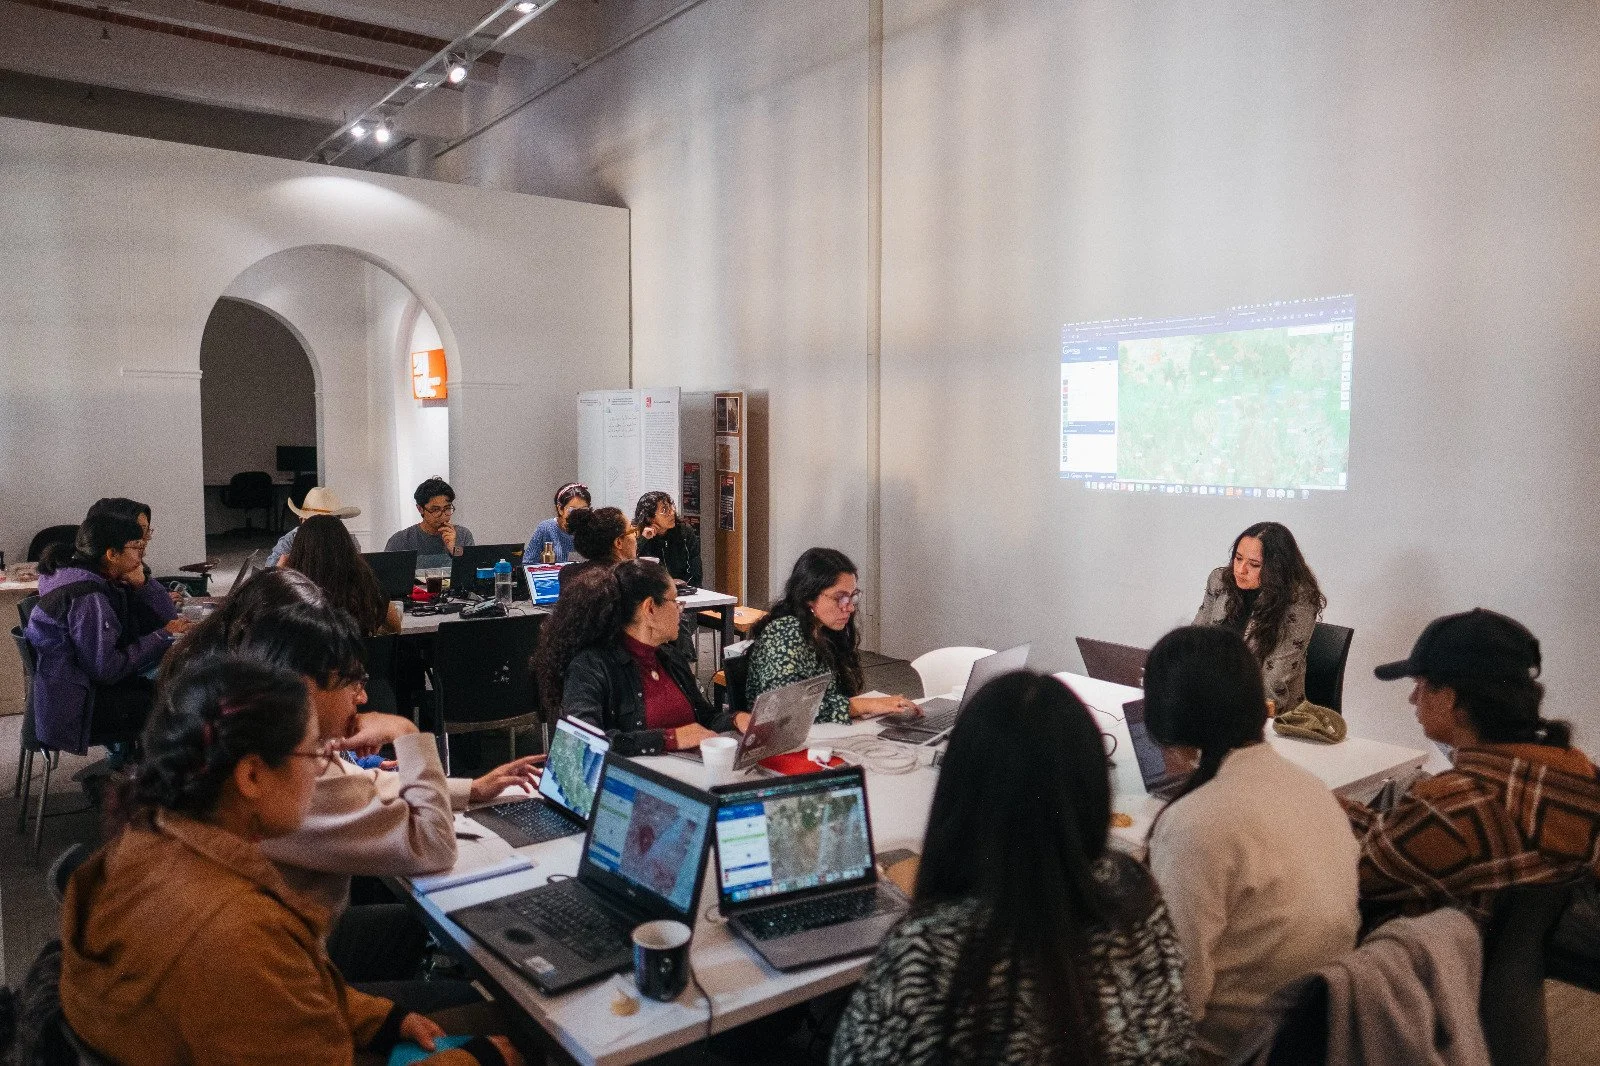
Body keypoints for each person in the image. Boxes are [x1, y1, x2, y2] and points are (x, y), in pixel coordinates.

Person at [60, 654, 520, 1065]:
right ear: (253, 777)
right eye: (312, 754)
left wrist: (379, 1018)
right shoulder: (237, 932)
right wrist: (474, 1059)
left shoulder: (149, 843)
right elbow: (261, 979)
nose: (324, 767)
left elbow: (282, 994)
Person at [830, 671, 1193, 1065]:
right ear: (1092, 787)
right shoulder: (1133, 895)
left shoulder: (930, 950)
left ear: (959, 790)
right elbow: (1173, 1034)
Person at [1142, 625, 1359, 1064]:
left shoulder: (1195, 824)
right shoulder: (1313, 789)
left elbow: (1178, 997)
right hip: (1313, 1036)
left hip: (1231, 1049)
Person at [1345, 608, 1600, 928]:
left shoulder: (1454, 809)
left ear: (1449, 698)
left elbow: (1352, 870)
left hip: (1426, 961)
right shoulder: (1578, 774)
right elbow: (1400, 839)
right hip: (1503, 963)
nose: (1412, 698)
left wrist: (1305, 795)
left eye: (1419, 684)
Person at [25, 514, 191, 755]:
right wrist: (161, 636)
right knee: (183, 699)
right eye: (136, 546)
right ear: (111, 554)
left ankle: (133, 769)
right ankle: (146, 780)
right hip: (79, 708)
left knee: (166, 682)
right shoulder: (88, 597)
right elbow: (107, 669)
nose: (141, 555)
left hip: (63, 699)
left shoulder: (73, 576)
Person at [535, 561, 739, 755]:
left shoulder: (670, 657)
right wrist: (667, 739)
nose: (680, 611)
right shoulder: (591, 666)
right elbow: (583, 743)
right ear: (649, 608)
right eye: (675, 601)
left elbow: (704, 718)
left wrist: (736, 720)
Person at [746, 548, 916, 724]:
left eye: (852, 597)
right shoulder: (785, 631)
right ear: (808, 596)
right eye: (840, 598)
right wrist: (866, 705)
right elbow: (786, 709)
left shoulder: (824, 630)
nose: (849, 607)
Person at [1192, 521, 1325, 711]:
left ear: (1276, 569)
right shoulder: (1220, 581)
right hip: (1214, 701)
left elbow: (1275, 680)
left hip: (1266, 714)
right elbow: (1195, 643)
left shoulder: (1298, 599)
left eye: (1254, 564)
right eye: (1238, 559)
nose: (1241, 570)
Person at [281, 513, 401, 634]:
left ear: (299, 551)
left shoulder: (290, 594)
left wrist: (280, 573)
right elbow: (395, 628)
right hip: (356, 652)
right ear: (347, 547)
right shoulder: (365, 587)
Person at [83, 496, 181, 635]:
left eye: (147, 530)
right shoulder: (89, 591)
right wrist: (144, 585)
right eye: (141, 530)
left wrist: (146, 586)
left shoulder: (130, 569)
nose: (147, 537)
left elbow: (170, 623)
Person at [386, 477, 474, 569]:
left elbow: (470, 570)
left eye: (447, 508)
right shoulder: (401, 540)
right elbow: (388, 576)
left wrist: (454, 549)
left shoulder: (462, 535)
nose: (443, 515)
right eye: (435, 510)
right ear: (420, 509)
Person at [264, 485, 363, 567]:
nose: (317, 528)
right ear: (301, 520)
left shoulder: (347, 541)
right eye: (312, 522)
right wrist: (282, 565)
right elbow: (269, 576)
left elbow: (358, 577)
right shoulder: (291, 540)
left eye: (325, 523)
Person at [558, 506, 638, 588]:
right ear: (618, 542)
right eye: (632, 530)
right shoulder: (628, 579)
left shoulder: (568, 573)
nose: (635, 536)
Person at [634, 491, 701, 586]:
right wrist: (643, 540)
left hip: (685, 589)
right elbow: (630, 569)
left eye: (671, 507)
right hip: (651, 592)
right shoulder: (637, 535)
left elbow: (695, 570)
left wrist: (682, 587)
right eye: (665, 510)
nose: (672, 513)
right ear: (649, 517)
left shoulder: (684, 532)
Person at [522, 481, 590, 565]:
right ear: (560, 509)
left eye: (584, 510)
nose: (578, 514)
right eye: (572, 510)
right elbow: (527, 563)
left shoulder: (591, 528)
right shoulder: (546, 528)